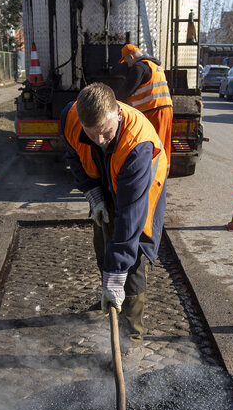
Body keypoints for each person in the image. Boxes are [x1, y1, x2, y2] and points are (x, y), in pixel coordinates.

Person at [60, 83, 168, 357]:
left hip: (139, 184)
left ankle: (129, 342)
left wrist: (116, 275)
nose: (99, 140)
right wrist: (94, 194)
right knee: (104, 243)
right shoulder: (70, 118)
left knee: (128, 261)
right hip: (108, 177)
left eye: (105, 132)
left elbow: (130, 218)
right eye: (92, 133)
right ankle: (110, 297)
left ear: (117, 114)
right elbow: (74, 155)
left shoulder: (138, 144)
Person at [118, 43, 173, 161]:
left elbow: (126, 90)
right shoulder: (154, 65)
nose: (128, 65)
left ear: (131, 57)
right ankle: (162, 174)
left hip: (154, 111)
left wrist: (114, 102)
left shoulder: (139, 67)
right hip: (164, 109)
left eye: (127, 62)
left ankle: (153, 176)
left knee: (153, 146)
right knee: (163, 145)